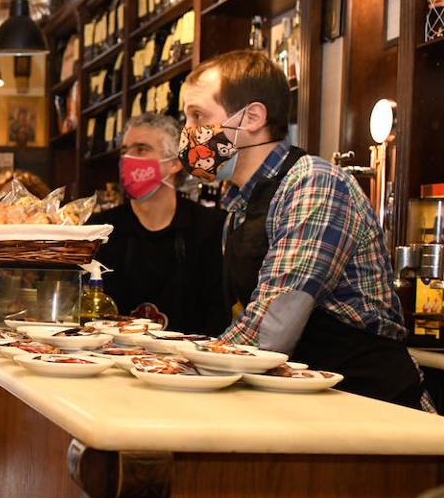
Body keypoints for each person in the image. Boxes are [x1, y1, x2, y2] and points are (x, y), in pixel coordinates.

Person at [179, 49, 424, 407]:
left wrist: (185, 368)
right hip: (310, 400)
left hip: (373, 406)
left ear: (253, 117)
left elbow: (273, 326)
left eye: (197, 116)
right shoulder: (238, 207)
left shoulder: (313, 183)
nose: (187, 134)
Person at [91, 112, 229, 335]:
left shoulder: (209, 228)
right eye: (125, 151)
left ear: (174, 162)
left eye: (141, 149)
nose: (128, 159)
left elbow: (217, 315)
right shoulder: (101, 229)